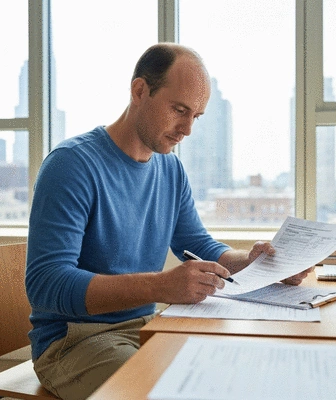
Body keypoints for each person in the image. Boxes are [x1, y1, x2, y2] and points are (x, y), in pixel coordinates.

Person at [25, 43, 312, 399]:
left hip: (149, 327)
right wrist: (160, 287)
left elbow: (200, 246)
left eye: (197, 116)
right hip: (74, 342)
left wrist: (253, 263)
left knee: (244, 376)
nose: (187, 129)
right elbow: (45, 284)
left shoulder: (170, 168)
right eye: (179, 110)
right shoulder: (71, 165)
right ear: (139, 90)